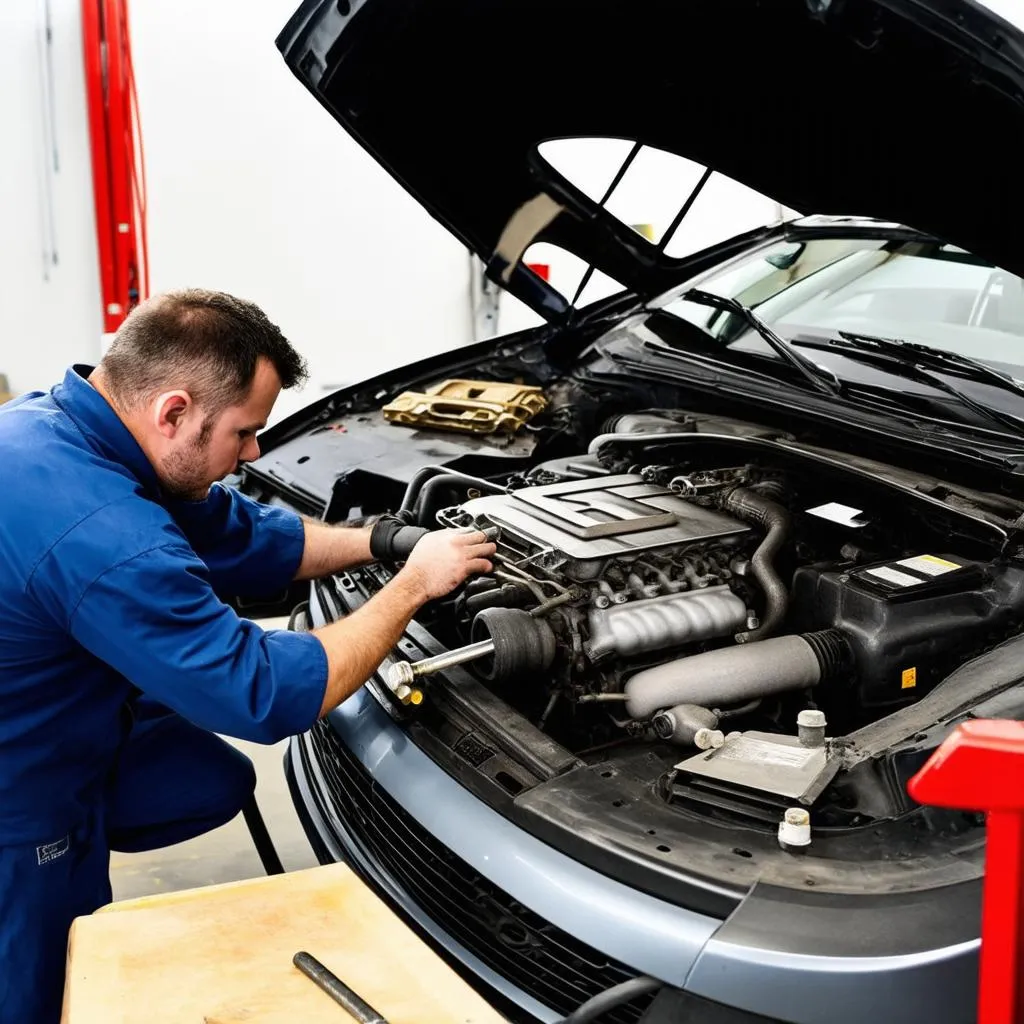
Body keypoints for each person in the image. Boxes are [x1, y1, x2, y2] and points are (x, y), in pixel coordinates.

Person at [0, 288, 496, 1023]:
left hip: (58, 701)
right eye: (244, 432)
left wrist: (387, 542)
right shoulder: (102, 534)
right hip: (18, 797)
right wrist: (414, 588)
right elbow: (259, 693)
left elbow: (238, 533)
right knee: (39, 988)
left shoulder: (61, 428)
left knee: (211, 780)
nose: (255, 452)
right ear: (172, 410)